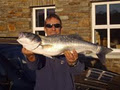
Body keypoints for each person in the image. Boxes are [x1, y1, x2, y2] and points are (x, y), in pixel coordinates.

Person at [22, 14, 85, 90]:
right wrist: (30, 56)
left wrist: (73, 63)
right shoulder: (37, 45)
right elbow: (34, 66)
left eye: (57, 25)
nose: (53, 28)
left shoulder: (72, 45)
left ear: (61, 28)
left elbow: (78, 71)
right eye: (49, 26)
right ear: (45, 29)